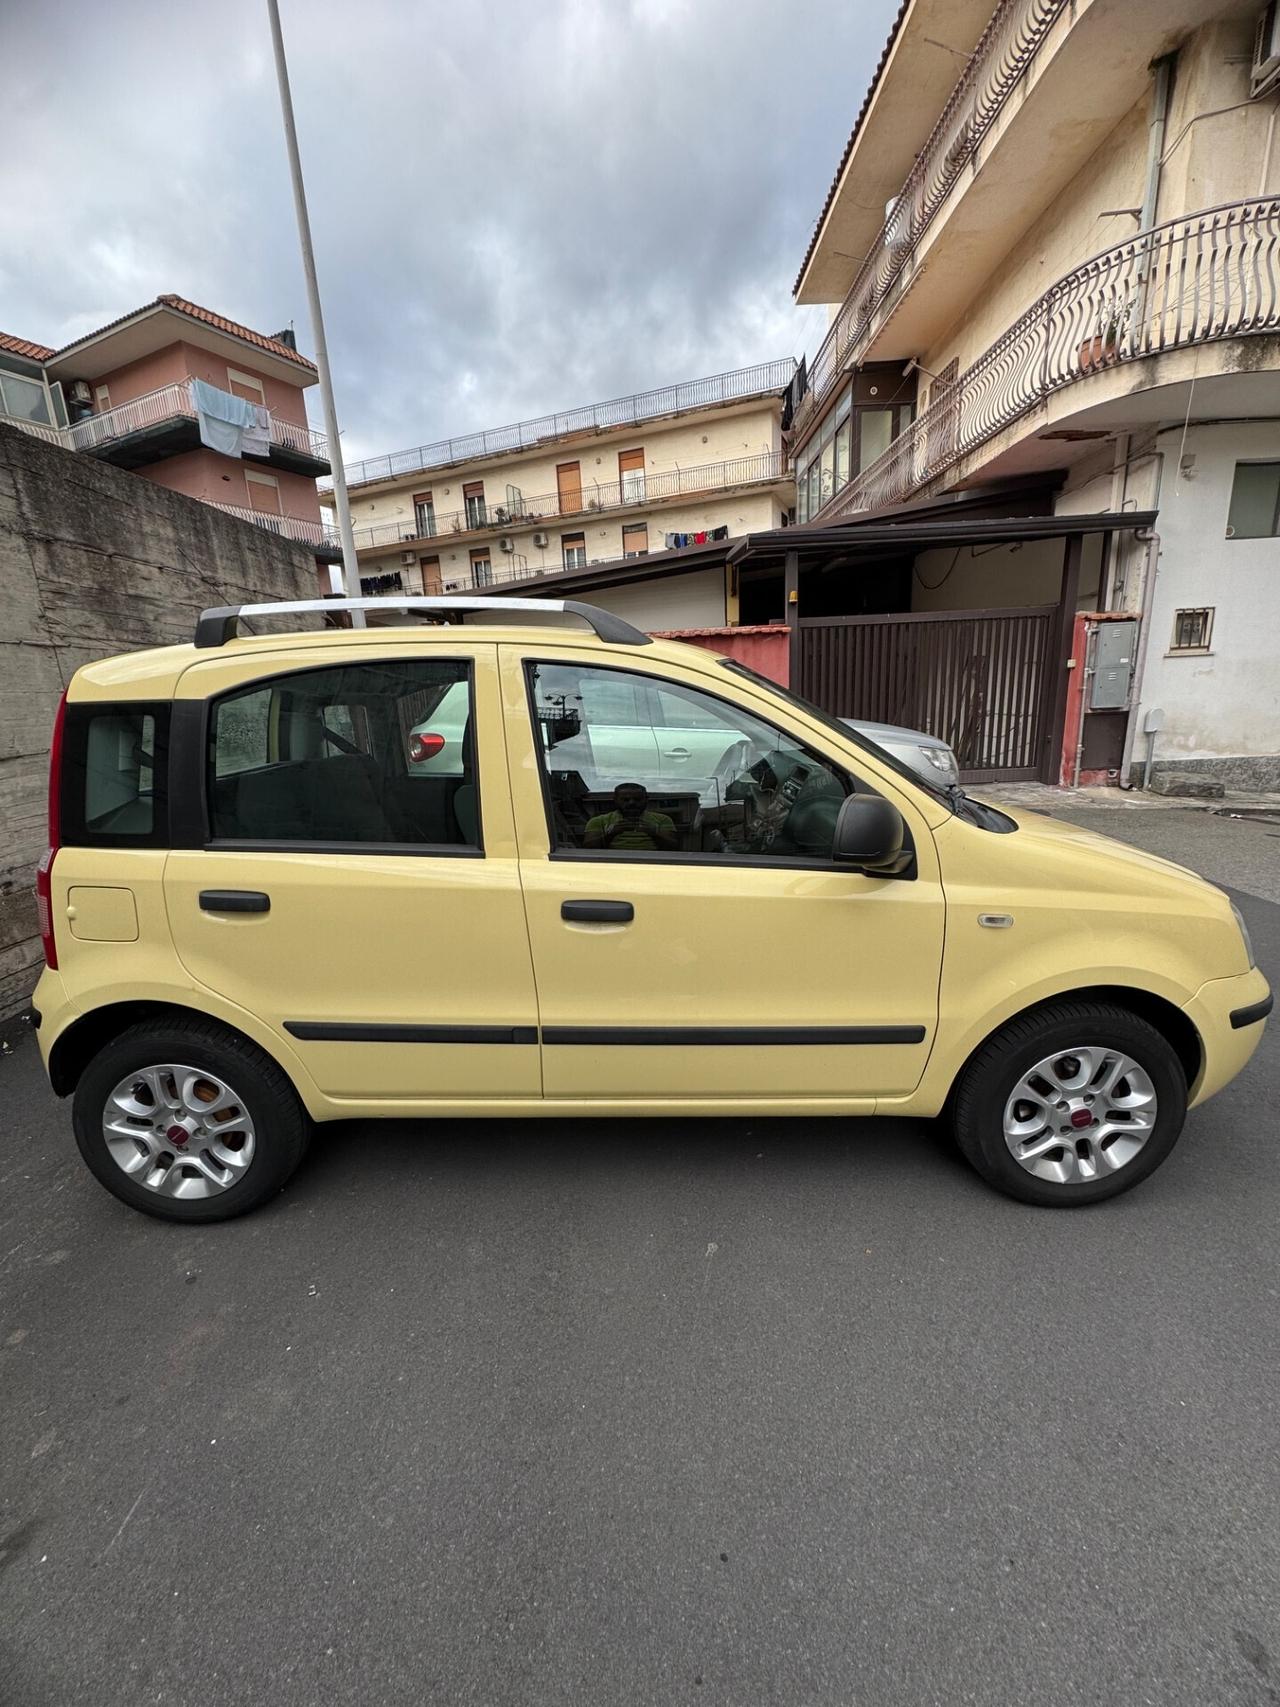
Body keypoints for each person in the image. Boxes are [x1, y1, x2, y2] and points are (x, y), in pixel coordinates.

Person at [584, 783, 678, 851]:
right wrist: (612, 834)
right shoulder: (598, 821)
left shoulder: (663, 819)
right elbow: (588, 849)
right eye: (625, 800)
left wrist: (653, 833)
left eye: (637, 799)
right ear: (615, 800)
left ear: (646, 800)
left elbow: (674, 848)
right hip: (611, 863)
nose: (631, 803)